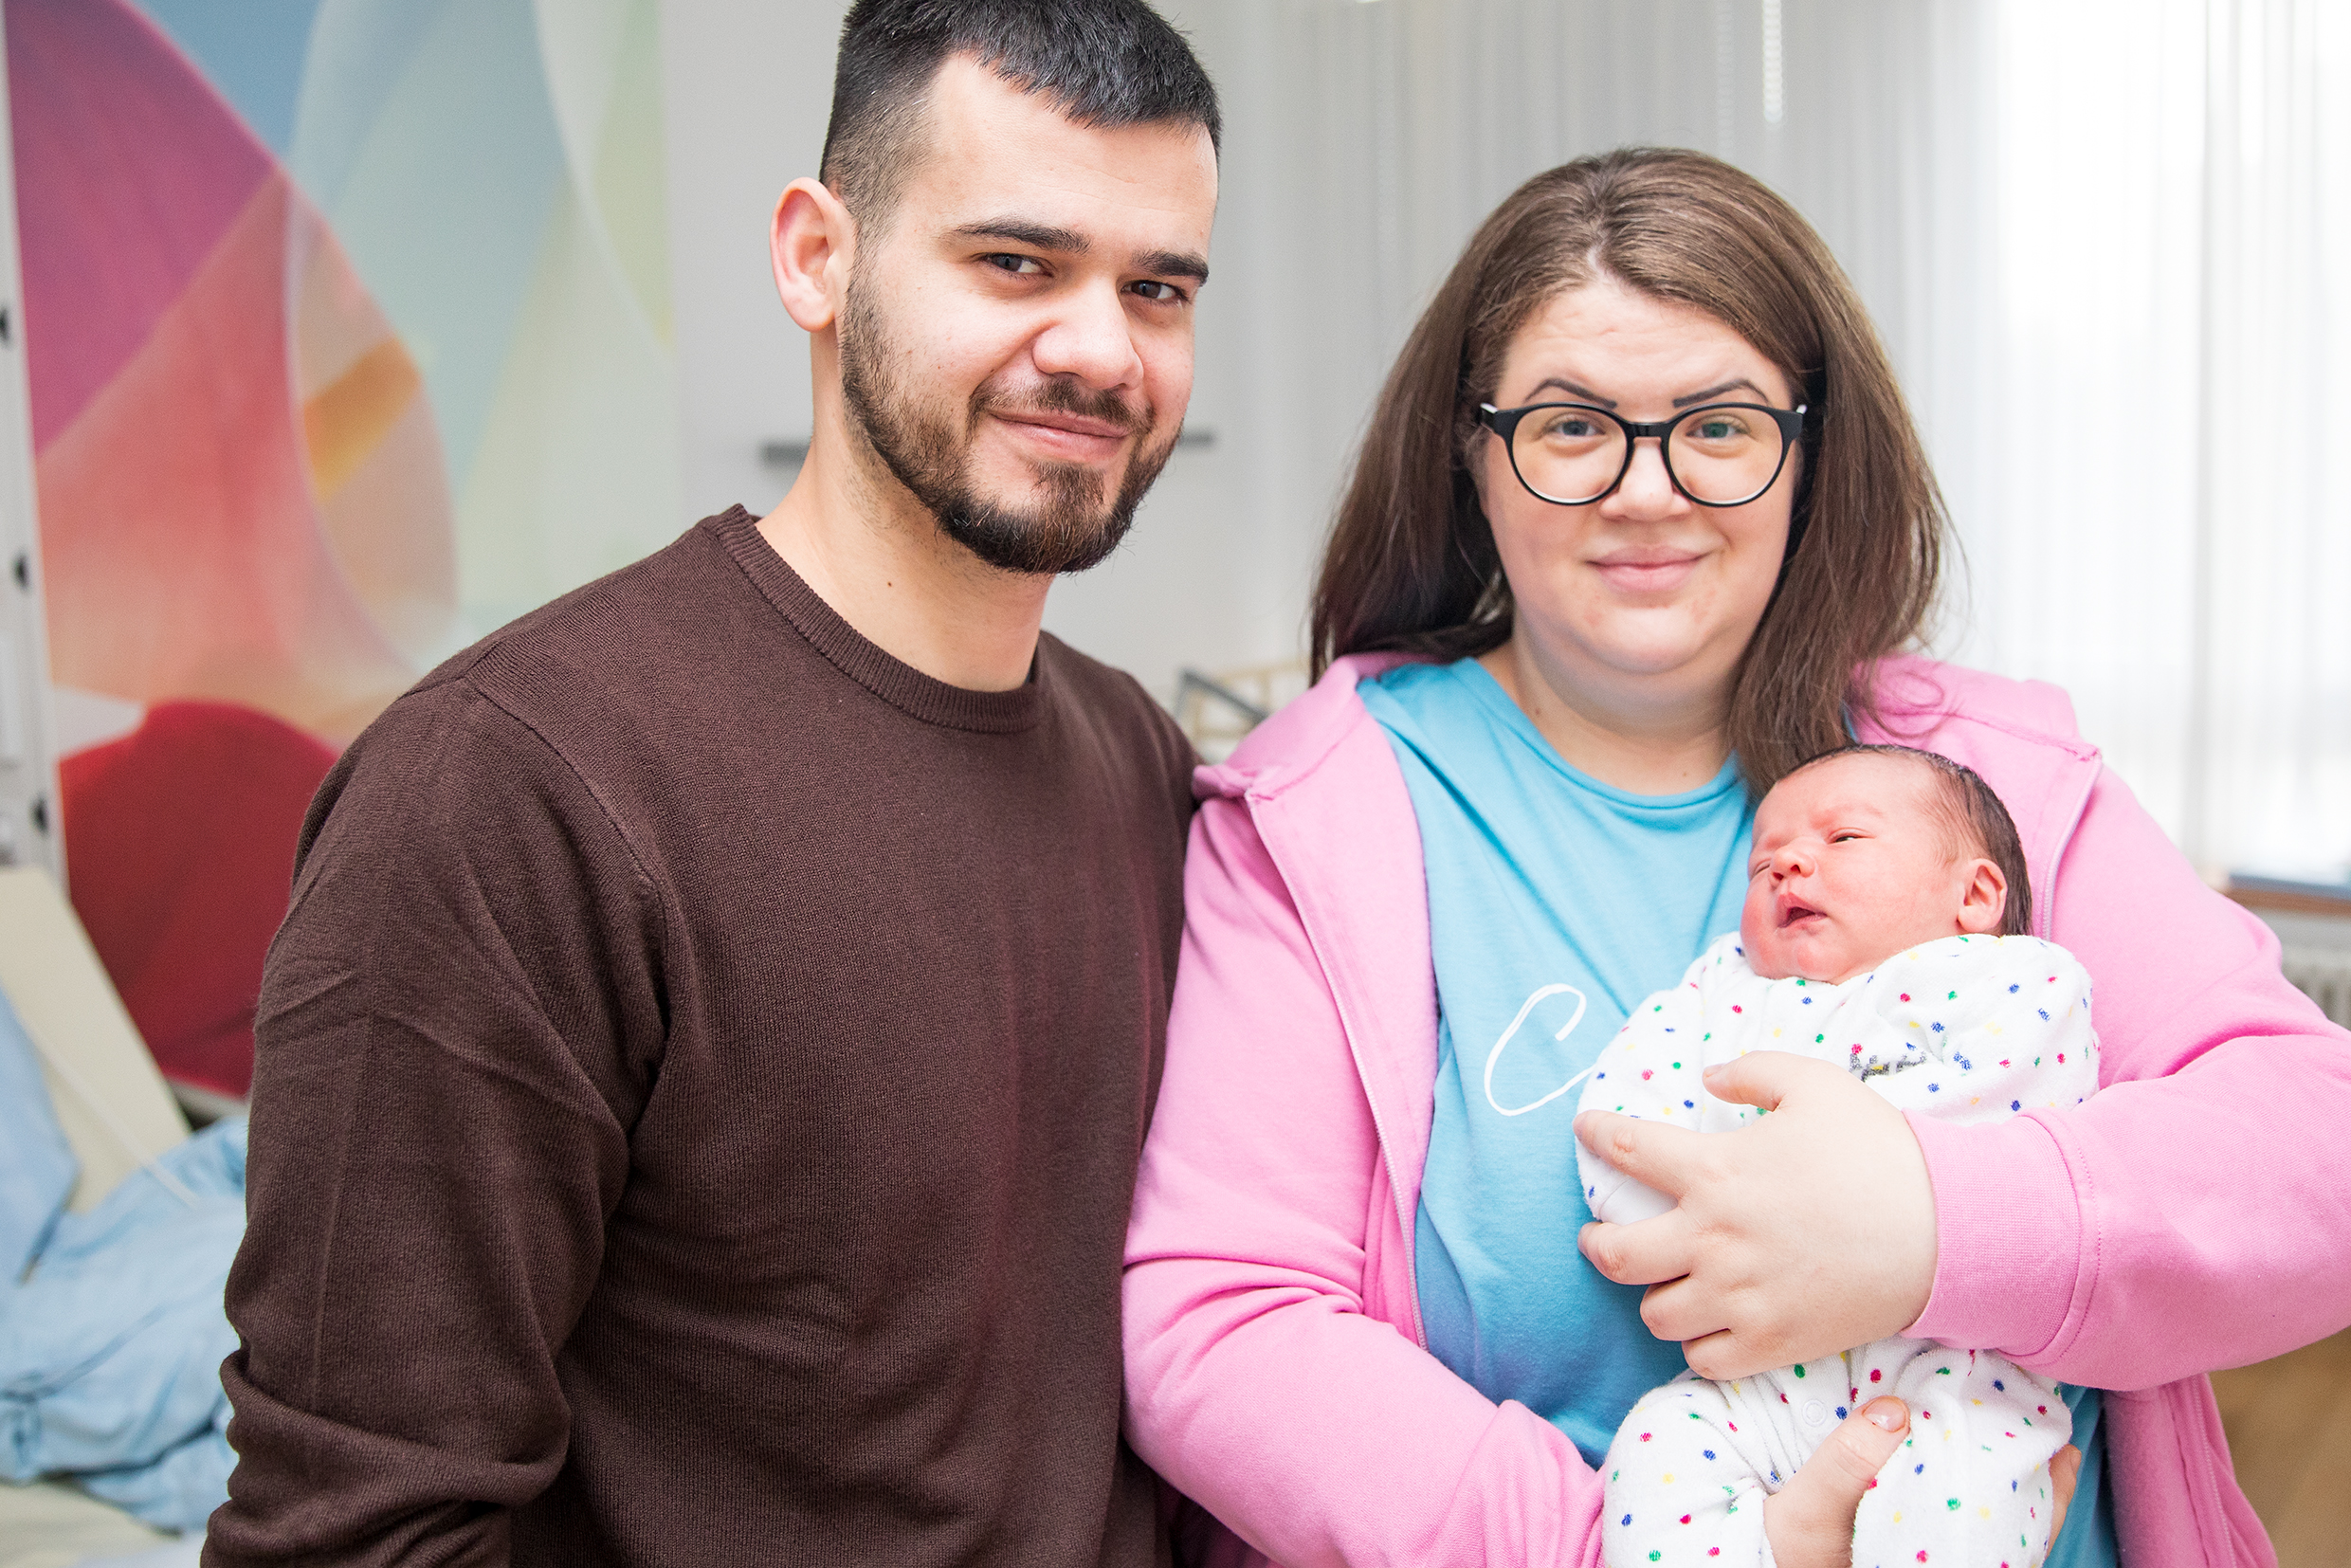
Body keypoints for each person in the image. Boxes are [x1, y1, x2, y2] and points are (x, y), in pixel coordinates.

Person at [1121, 147, 2350, 1568]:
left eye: (1718, 425)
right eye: (1572, 428)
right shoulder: (1317, 818)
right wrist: (1660, 1552)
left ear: (1810, 449)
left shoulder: (1989, 782)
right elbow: (1220, 1322)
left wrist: (1924, 1223)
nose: (1648, 493)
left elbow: (2313, 1151)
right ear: (1473, 451)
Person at [207, 4, 1219, 1564]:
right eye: (1018, 263)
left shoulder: (1136, 757)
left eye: (1157, 288)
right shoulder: (509, 792)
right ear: (818, 256)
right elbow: (357, 1532)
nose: (1101, 348)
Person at [1581, 745, 2094, 1566]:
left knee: (1965, 1498)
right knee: (1656, 1446)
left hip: (1954, 1371)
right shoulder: (1720, 991)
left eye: (1844, 838)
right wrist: (1674, 1226)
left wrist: (1859, 1185)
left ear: (1975, 895)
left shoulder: (2008, 978)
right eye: (1762, 863)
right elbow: (1626, 1108)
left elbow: (2025, 1099)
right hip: (1758, 1382)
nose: (1787, 862)